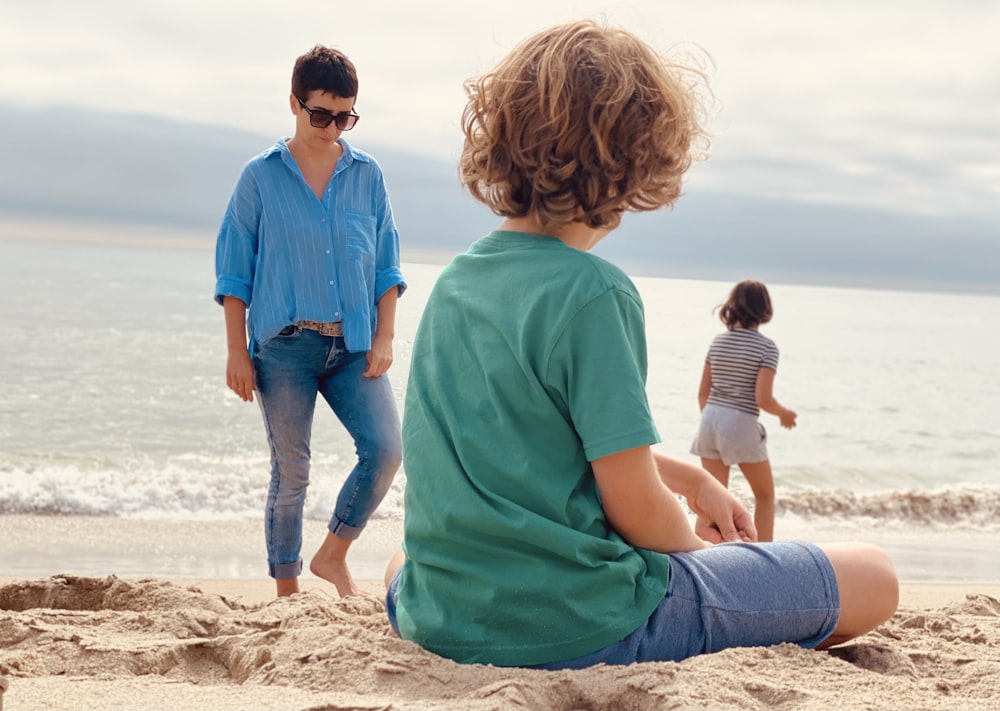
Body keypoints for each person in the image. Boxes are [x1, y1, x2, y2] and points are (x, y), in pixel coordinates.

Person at [384, 19, 897, 669]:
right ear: (633, 163)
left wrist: (688, 478)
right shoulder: (594, 292)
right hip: (579, 622)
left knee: (403, 558)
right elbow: (633, 508)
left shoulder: (457, 281)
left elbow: (529, 456)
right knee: (875, 574)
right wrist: (700, 552)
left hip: (440, 614)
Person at [214, 45, 405, 598]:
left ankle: (333, 554)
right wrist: (236, 351)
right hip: (284, 349)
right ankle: (287, 596)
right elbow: (234, 270)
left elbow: (387, 263)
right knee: (292, 473)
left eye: (343, 116)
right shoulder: (260, 177)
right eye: (320, 114)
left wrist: (386, 336)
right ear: (294, 104)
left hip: (354, 347)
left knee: (386, 451)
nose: (331, 127)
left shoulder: (368, 175)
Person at [690, 279, 796, 542]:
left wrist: (712, 420)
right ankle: (765, 556)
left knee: (713, 496)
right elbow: (763, 398)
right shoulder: (766, 347)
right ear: (764, 309)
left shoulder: (718, 342)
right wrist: (784, 413)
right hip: (740, 422)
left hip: (709, 419)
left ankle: (704, 551)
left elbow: (702, 392)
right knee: (764, 495)